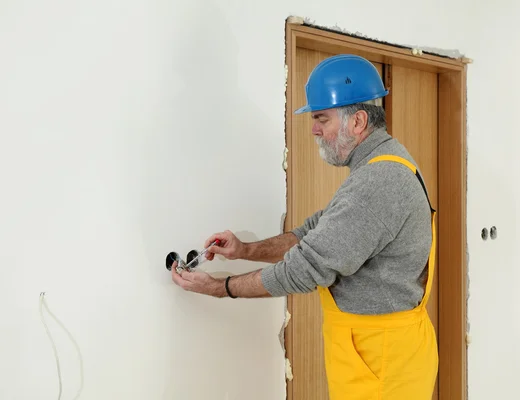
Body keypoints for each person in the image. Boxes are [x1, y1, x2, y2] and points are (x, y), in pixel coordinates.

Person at [171, 54, 438, 399]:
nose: (314, 129)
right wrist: (246, 250)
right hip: (377, 355)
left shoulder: (379, 180)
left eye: (321, 118)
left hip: (384, 364)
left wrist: (220, 287)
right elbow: (315, 233)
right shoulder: (379, 165)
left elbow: (306, 268)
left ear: (357, 121)